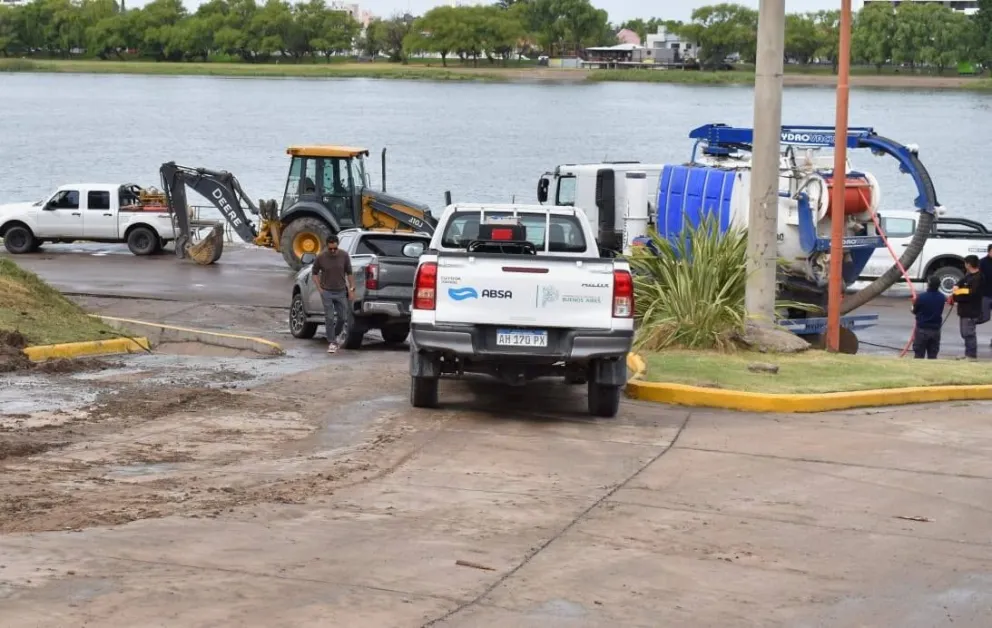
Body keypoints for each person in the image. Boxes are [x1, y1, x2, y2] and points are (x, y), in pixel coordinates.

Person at [312, 235, 355, 353]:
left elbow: (350, 273)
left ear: (337, 245)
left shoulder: (344, 256)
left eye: (335, 249)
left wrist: (351, 289)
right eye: (330, 249)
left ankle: (334, 335)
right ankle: (332, 341)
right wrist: (319, 288)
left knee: (343, 317)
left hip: (341, 291)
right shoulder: (321, 257)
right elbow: (314, 273)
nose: (332, 251)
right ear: (327, 246)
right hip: (326, 291)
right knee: (329, 317)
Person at [951, 255, 983, 360]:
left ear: (968, 264)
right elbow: (961, 283)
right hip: (964, 310)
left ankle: (971, 355)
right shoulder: (968, 276)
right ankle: (968, 353)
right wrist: (956, 286)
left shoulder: (979, 278)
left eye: (965, 263)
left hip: (971, 310)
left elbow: (971, 293)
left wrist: (957, 292)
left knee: (969, 333)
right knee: (964, 333)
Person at [911, 276, 945, 359]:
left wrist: (913, 304)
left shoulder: (921, 297)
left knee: (919, 355)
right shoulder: (942, 297)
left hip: (922, 329)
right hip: (935, 330)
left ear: (928, 284)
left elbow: (914, 311)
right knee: (933, 355)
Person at [980, 244, 992, 336]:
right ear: (989, 251)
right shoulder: (982, 262)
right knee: (985, 317)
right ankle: (969, 324)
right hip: (985, 294)